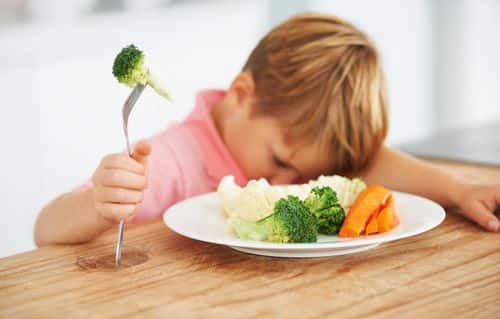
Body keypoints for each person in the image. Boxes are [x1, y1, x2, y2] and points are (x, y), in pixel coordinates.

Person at [34, 13, 500, 246]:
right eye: (281, 162)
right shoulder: (172, 159)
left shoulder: (292, 143)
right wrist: (99, 204)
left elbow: (371, 160)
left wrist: (459, 191)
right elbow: (45, 230)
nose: (286, 183)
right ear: (241, 94)